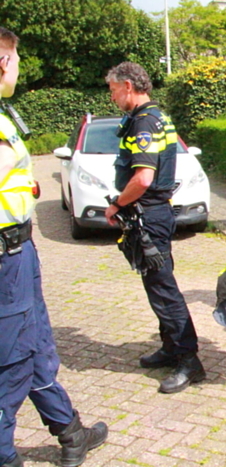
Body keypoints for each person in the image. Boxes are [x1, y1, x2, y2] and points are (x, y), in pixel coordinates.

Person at [0, 27, 108, 467]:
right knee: (13, 358)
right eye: (16, 60)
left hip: (19, 251)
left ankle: (70, 431)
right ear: (3, 63)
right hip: (6, 261)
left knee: (35, 344)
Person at [104, 62, 205, 394]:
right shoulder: (157, 116)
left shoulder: (145, 122)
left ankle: (189, 361)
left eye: (113, 90)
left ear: (128, 86)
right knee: (157, 285)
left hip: (149, 216)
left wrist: (117, 204)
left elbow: (143, 178)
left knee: (163, 289)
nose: (112, 97)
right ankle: (170, 348)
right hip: (153, 214)